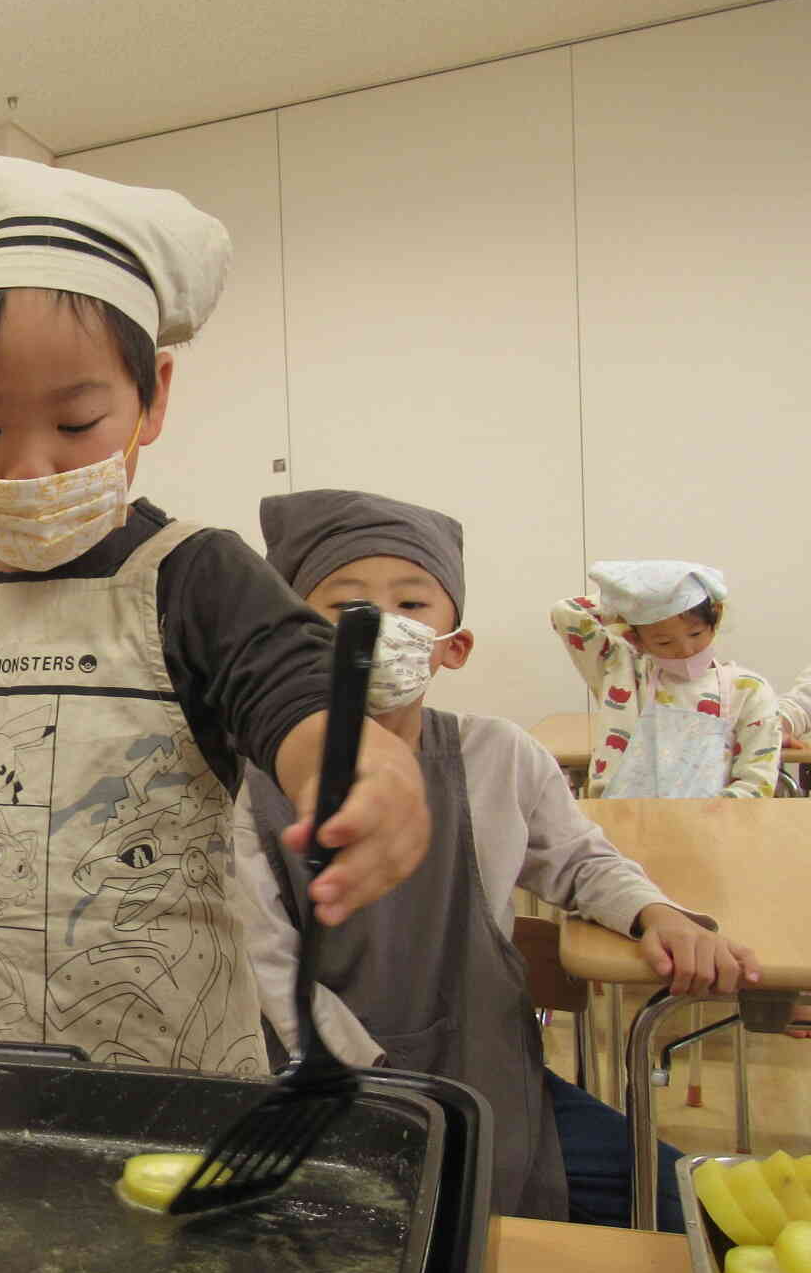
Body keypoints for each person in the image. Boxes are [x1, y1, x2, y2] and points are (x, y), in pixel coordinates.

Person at [0, 149, 429, 1073]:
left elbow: (302, 701)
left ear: (152, 402)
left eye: (76, 425)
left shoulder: (196, 578)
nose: (30, 468)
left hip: (165, 1079)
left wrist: (370, 770)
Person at [233, 489, 758, 1225]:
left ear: (454, 646)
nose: (378, 627)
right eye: (342, 604)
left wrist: (655, 913)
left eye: (412, 603)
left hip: (490, 1082)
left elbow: (577, 859)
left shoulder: (498, 756)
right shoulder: (245, 789)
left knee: (700, 1214)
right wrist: (379, 1090)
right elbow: (262, 965)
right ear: (286, 638)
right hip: (327, 1096)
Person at [551, 561, 781, 798]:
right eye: (664, 642)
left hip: (711, 824)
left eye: (695, 634)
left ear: (714, 624)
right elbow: (565, 612)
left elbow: (757, 781)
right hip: (621, 818)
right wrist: (636, 598)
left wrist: (707, 818)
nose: (685, 649)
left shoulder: (749, 690)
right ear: (635, 639)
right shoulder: (622, 670)